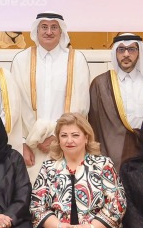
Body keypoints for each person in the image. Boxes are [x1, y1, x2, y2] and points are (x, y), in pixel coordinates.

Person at [10, 12, 91, 171]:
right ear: (36, 31)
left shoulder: (76, 59)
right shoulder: (21, 60)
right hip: (31, 148)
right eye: (44, 27)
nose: (49, 32)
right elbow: (15, 106)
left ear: (61, 32)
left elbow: (81, 105)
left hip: (67, 144)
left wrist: (59, 136)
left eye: (54, 27)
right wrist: (22, 143)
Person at [87, 33, 143, 168]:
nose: (126, 54)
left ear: (139, 52)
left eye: (131, 49)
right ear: (115, 53)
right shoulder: (101, 84)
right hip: (113, 153)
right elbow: (94, 126)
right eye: (121, 50)